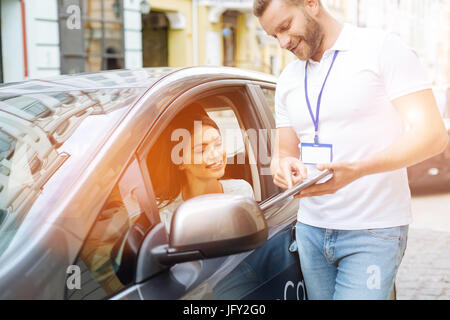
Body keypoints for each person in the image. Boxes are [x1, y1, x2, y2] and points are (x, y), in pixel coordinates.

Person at [254, 0, 448, 299]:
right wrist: (283, 165)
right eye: (273, 36)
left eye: (285, 27)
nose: (282, 42)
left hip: (373, 229)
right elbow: (285, 152)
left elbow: (433, 135)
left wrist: (358, 170)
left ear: (311, 4)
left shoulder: (382, 49)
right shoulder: (289, 79)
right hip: (311, 229)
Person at [148, 103, 254, 233]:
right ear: (180, 162)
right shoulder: (167, 214)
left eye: (218, 144)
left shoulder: (241, 192)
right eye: (201, 150)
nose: (216, 155)